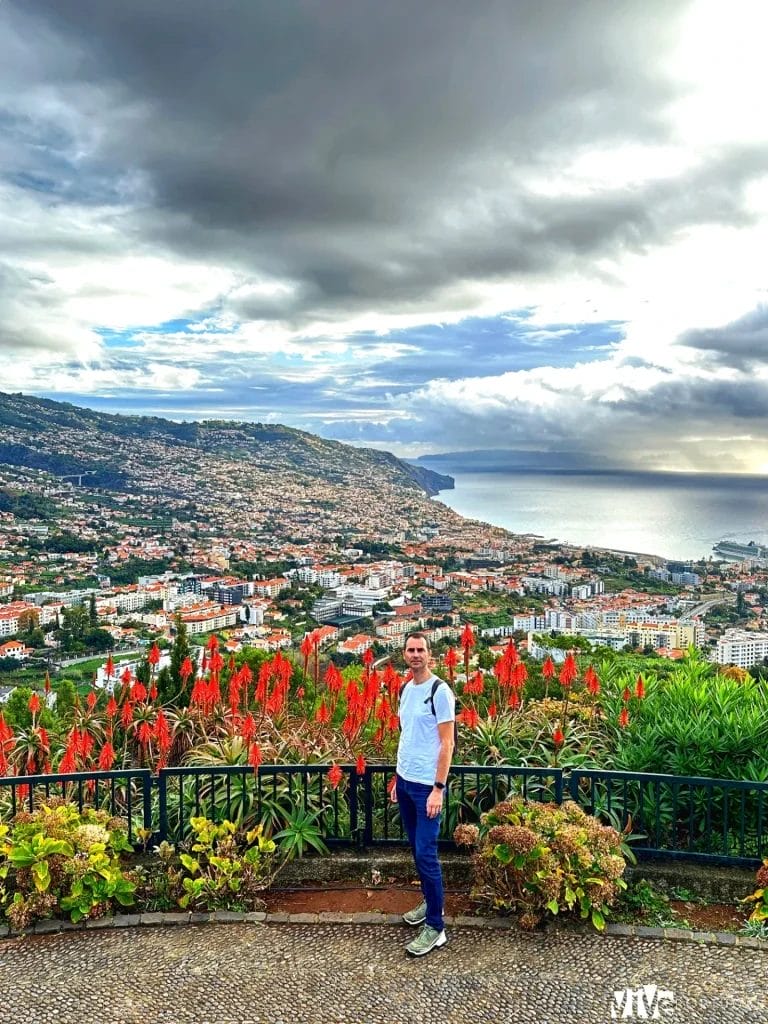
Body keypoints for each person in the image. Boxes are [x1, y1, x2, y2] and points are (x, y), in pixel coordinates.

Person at [390, 631, 455, 957]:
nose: (415, 655)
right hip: (405, 782)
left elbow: (447, 743)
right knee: (416, 851)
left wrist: (438, 789)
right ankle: (430, 902)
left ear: (430, 655)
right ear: (404, 654)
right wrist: (397, 778)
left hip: (427, 788)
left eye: (421, 650)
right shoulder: (406, 689)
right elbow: (408, 737)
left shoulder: (439, 691)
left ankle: (436, 927)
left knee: (427, 854)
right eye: (410, 650)